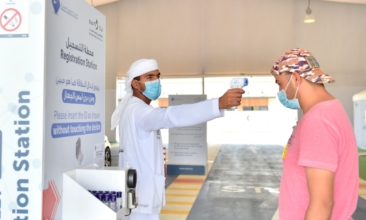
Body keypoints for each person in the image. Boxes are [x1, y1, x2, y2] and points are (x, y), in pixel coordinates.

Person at [111, 59, 244, 220]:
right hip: (141, 201)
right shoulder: (138, 112)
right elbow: (172, 116)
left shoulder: (134, 109)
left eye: (158, 76)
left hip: (139, 197)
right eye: (150, 77)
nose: (156, 81)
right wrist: (218, 104)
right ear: (136, 83)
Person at [271, 48, 358, 220]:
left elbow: (322, 204)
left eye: (279, 83)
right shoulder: (329, 112)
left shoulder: (318, 121)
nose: (281, 91)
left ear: (295, 79)